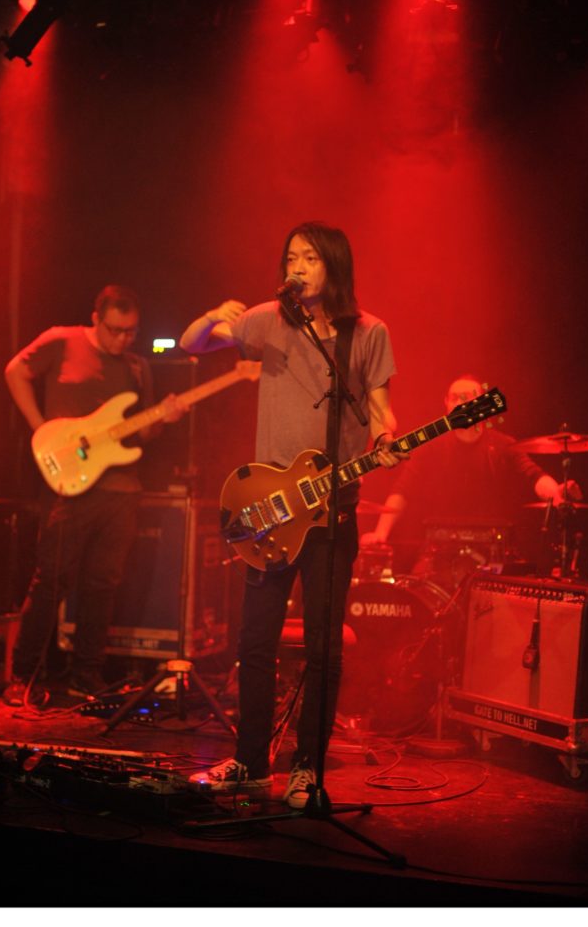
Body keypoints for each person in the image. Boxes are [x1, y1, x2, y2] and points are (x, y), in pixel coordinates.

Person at [179, 221, 402, 809]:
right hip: (272, 511)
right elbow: (192, 344)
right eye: (290, 258)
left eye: (308, 258)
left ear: (334, 265)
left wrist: (387, 439)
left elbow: (382, 410)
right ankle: (251, 763)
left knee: (325, 650)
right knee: (255, 642)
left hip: (334, 513)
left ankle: (307, 769)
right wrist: (210, 316)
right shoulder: (268, 320)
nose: (296, 267)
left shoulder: (368, 332)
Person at [3, 285, 187, 706]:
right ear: (96, 319)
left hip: (121, 489)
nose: (122, 339)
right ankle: (23, 675)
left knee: (104, 584)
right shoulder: (61, 340)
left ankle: (85, 675)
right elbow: (14, 371)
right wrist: (39, 428)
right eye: (115, 330)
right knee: (51, 580)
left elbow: (142, 432)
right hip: (69, 486)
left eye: (131, 332)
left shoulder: (138, 367)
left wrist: (165, 416)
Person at [360, 374, 582, 563]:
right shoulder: (430, 447)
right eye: (455, 398)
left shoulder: (503, 445)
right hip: (438, 553)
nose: (461, 403)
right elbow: (402, 490)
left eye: (468, 398)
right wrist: (381, 533)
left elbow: (535, 476)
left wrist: (557, 492)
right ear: (446, 403)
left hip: (493, 554)